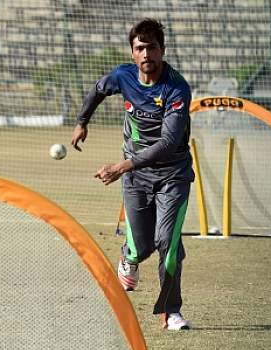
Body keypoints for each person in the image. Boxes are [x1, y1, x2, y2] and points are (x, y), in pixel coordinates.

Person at [71, 19, 194, 331]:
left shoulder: (176, 88)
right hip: (137, 178)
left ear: (162, 50)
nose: (146, 53)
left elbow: (167, 144)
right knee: (141, 247)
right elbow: (98, 90)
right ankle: (130, 257)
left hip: (172, 176)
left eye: (152, 46)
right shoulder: (123, 75)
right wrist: (82, 121)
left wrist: (120, 166)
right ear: (132, 52)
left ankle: (172, 311)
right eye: (140, 48)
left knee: (167, 242)